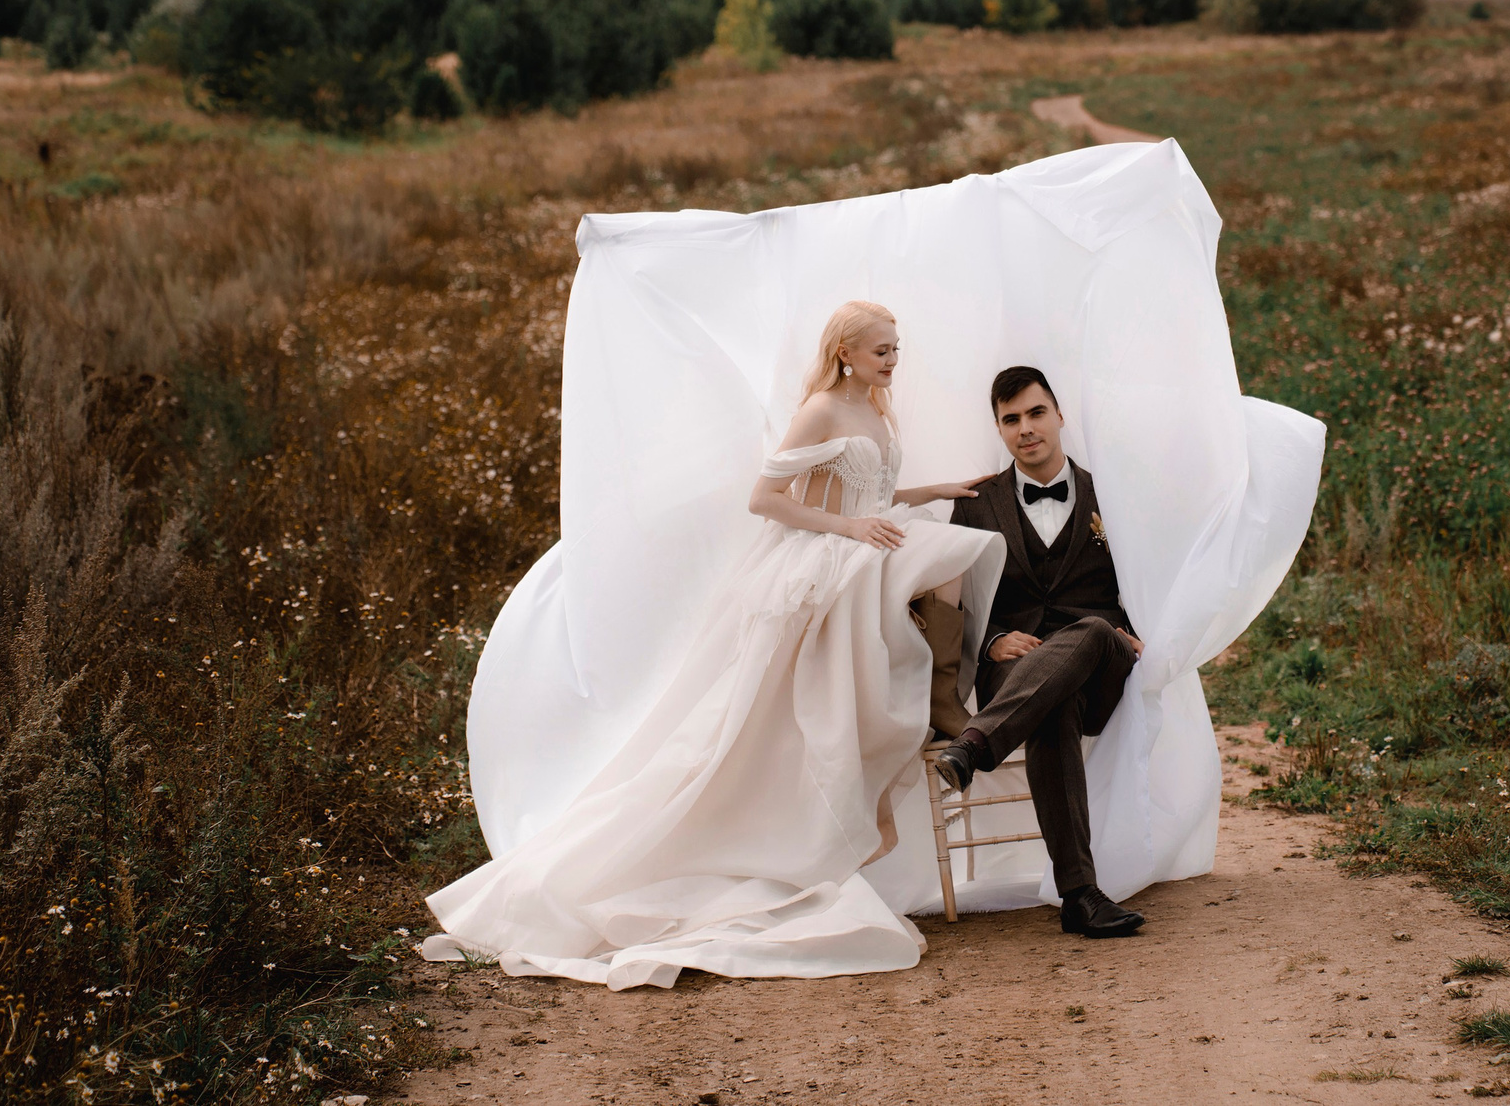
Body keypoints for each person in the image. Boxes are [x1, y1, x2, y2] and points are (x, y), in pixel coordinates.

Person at [421, 301, 1003, 988]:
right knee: (941, 562)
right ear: (846, 351)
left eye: (897, 349)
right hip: (823, 555)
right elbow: (767, 498)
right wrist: (850, 533)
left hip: (860, 544)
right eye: (882, 351)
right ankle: (924, 703)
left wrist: (929, 489)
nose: (893, 362)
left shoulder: (877, 407)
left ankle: (935, 693)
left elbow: (868, 485)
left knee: (956, 551)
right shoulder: (820, 408)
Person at [929, 365, 1149, 939]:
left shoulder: (1112, 495)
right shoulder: (976, 504)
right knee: (1053, 707)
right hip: (1016, 674)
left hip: (1103, 661)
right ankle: (1080, 897)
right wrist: (995, 639)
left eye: (1035, 413)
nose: (1025, 429)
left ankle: (974, 747)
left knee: (1097, 630)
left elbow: (1148, 581)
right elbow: (961, 605)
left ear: (1058, 415)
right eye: (1011, 420)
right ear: (999, 429)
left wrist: (1143, 627)